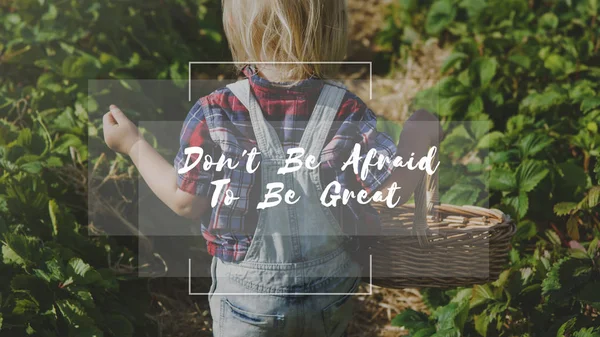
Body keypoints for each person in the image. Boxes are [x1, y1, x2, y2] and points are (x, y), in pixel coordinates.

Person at [102, 0, 441, 336]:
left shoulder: (215, 113)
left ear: (234, 28)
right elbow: (390, 193)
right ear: (333, 29)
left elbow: (185, 203)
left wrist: (134, 145)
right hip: (327, 291)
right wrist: (415, 135)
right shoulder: (346, 110)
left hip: (249, 298)